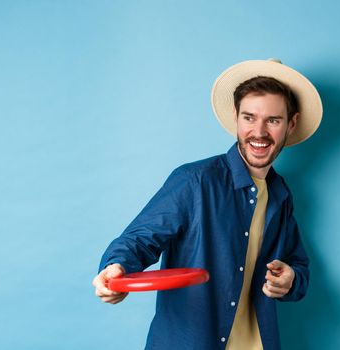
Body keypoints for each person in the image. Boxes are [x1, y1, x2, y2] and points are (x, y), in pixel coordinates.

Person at [92, 59, 323, 350]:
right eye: (249, 118)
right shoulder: (194, 180)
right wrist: (116, 267)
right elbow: (140, 239)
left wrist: (290, 280)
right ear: (236, 119)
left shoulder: (280, 193)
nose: (260, 132)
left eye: (273, 120)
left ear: (290, 123)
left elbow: (298, 266)